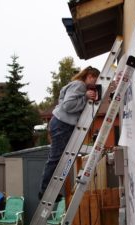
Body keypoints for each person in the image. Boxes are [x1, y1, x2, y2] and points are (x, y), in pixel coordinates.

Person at [38, 66, 100, 201]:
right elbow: (67, 105)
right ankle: (44, 192)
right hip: (62, 125)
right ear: (89, 76)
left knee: (58, 158)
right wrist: (85, 97)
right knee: (55, 158)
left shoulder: (76, 85)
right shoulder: (80, 85)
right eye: (95, 80)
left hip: (61, 124)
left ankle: (49, 192)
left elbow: (63, 100)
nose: (95, 84)